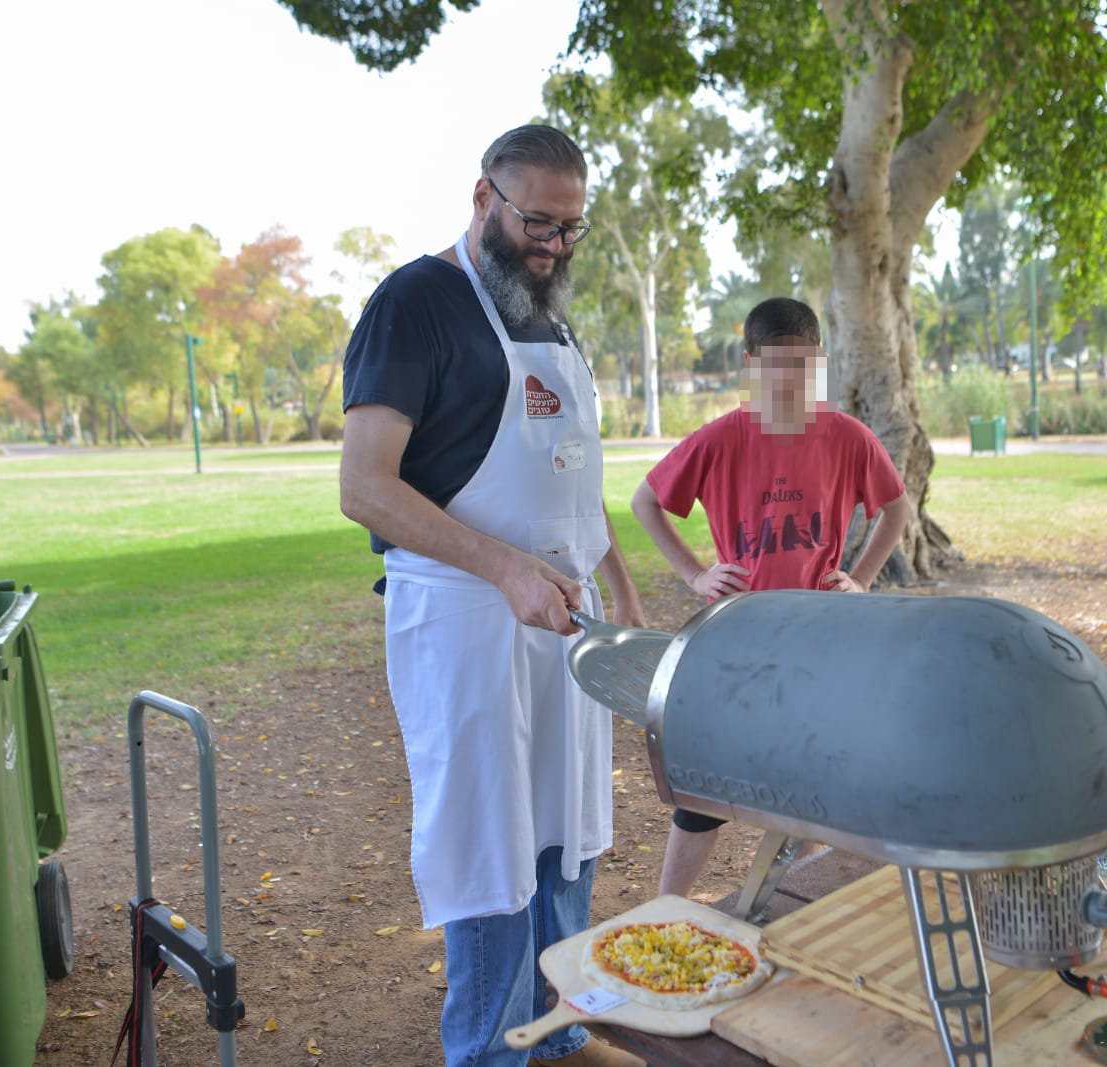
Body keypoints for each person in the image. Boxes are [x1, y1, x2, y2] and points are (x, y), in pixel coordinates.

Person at [339, 125, 645, 1067]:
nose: (553, 246)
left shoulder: (546, 314)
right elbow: (365, 486)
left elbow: (572, 479)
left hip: (565, 617)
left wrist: (624, 594)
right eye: (537, 222)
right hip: (466, 624)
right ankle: (489, 1051)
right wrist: (504, 567)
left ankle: (559, 1031)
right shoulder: (416, 302)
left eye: (570, 229)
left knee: (567, 830)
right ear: (484, 199)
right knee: (493, 848)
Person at [631, 296, 913, 898]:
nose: (789, 379)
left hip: (819, 643)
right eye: (776, 364)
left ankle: (794, 910)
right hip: (737, 643)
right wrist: (694, 575)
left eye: (803, 365)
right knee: (705, 788)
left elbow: (896, 509)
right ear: (751, 362)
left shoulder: (845, 436)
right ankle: (664, 910)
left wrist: (859, 579)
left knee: (808, 786)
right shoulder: (722, 439)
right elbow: (645, 503)